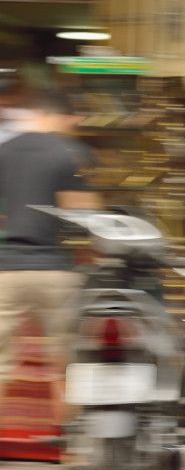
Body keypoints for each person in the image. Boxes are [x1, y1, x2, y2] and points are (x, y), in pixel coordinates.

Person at [0, 90, 99, 403]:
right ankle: (71, 443)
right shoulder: (67, 153)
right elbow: (82, 213)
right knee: (66, 363)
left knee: (1, 367)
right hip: (54, 272)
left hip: (6, 272)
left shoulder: (3, 152)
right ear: (55, 116)